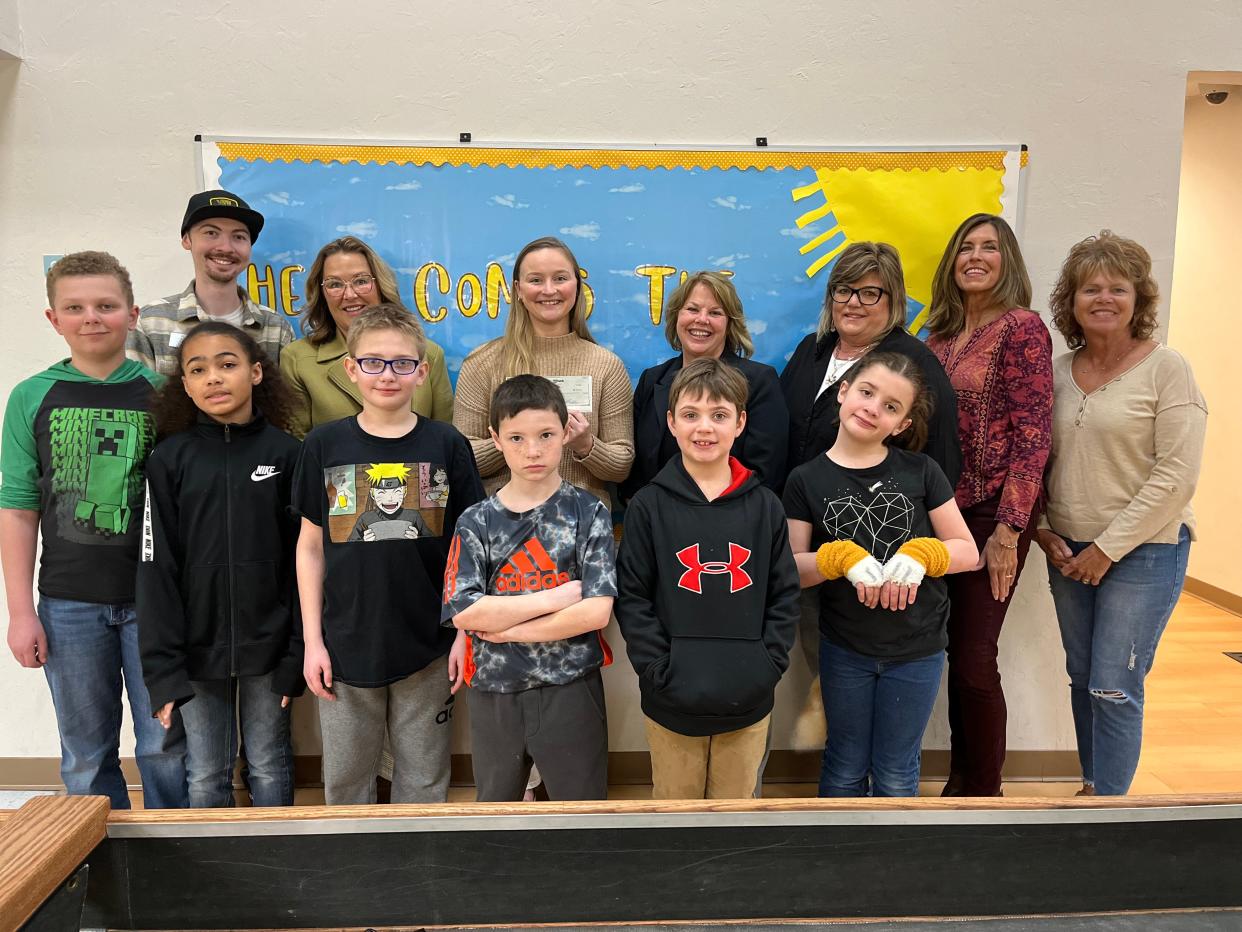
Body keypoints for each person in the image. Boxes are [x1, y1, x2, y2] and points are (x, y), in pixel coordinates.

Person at [1, 251, 186, 809]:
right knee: (85, 750)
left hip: (155, 601)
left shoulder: (165, 394)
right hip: (68, 602)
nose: (92, 318)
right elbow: (17, 507)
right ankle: (98, 864)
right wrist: (21, 613)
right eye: (75, 307)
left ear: (132, 314)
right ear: (53, 319)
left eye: (106, 306)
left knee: (165, 744)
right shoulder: (31, 396)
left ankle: (173, 865)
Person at [1036, 231, 1206, 797]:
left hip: (1143, 554)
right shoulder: (1056, 373)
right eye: (1090, 288)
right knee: (1083, 679)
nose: (1103, 298)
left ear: (1139, 299)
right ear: (1072, 301)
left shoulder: (1167, 369)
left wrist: (1106, 550)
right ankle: (1092, 787)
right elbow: (1032, 458)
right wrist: (1040, 530)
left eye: (1117, 287)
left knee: (1115, 686)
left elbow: (1176, 476)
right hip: (1065, 549)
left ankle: (1108, 810)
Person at [293, 304, 483, 804]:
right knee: (348, 782)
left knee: (424, 779)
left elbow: (468, 549)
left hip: (430, 643)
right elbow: (310, 548)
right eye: (373, 362)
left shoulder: (446, 444)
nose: (388, 374)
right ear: (351, 369)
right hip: (345, 645)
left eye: (402, 363)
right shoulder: (323, 445)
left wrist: (464, 632)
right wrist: (313, 642)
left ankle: (420, 871)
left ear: (422, 372)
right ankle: (353, 874)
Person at [784, 353, 978, 797]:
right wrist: (839, 558)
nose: (873, 407)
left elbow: (967, 552)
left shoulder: (922, 472)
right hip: (845, 648)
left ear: (903, 425)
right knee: (845, 763)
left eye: (891, 406)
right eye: (867, 392)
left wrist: (923, 553)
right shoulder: (805, 480)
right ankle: (839, 857)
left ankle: (893, 863)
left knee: (895, 769)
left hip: (917, 648)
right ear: (843, 391)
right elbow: (791, 569)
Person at [137, 322, 304, 808]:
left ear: (255, 372)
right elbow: (156, 568)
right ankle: (217, 878)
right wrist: (163, 669)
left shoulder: (288, 455)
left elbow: (305, 564)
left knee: (270, 762)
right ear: (184, 386)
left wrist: (295, 654)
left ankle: (277, 867)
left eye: (227, 365)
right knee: (206, 772)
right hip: (195, 649)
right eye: (198, 369)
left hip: (270, 648)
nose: (214, 378)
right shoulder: (169, 460)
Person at [616, 359, 799, 799]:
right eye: (691, 415)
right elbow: (634, 597)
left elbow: (783, 594)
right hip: (670, 698)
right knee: (675, 811)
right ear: (671, 423)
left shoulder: (765, 506)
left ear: (741, 423)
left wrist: (767, 665)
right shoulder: (648, 506)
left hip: (749, 694)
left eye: (719, 416)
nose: (705, 428)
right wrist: (658, 671)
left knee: (736, 812)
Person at [926, 214, 1053, 797]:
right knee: (950, 650)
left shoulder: (1023, 329)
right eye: (966, 248)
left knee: (975, 658)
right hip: (939, 513)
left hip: (993, 513)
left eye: (990, 248)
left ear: (1009, 261)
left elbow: (1035, 433)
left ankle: (982, 791)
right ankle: (957, 780)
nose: (975, 257)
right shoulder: (938, 336)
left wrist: (1009, 530)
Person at [442, 375, 616, 801]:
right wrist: (555, 598)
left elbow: (595, 613)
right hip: (495, 692)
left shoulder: (588, 511)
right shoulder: (476, 521)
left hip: (570, 686)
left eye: (545, 435)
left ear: (565, 433)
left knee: (581, 810)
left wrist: (506, 630)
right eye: (516, 437)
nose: (533, 450)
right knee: (496, 811)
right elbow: (465, 611)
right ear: (495, 440)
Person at [454, 235, 634, 506]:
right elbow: (461, 458)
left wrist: (585, 445)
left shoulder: (606, 365)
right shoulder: (482, 362)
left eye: (560, 278)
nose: (549, 290)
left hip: (582, 529)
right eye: (536, 280)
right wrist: (518, 437)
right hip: (503, 529)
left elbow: (622, 466)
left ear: (577, 285)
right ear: (518, 288)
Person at [781, 242, 960, 483]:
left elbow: (941, 465)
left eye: (869, 293)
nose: (853, 302)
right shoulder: (810, 348)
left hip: (865, 515)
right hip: (789, 511)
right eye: (844, 290)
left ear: (894, 300)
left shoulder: (917, 364)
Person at [622, 271, 788, 499]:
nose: (702, 319)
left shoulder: (759, 382)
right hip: (658, 521)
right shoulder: (652, 381)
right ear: (676, 316)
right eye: (692, 309)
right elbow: (636, 472)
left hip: (733, 523)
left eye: (715, 312)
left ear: (730, 324)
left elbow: (766, 475)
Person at [280, 236, 453, 438]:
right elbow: (298, 451)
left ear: (381, 285)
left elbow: (444, 441)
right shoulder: (297, 360)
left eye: (361, 281)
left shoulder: (429, 354)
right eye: (335, 284)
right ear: (322, 294)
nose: (350, 294)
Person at [128, 190, 294, 376]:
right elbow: (135, 400)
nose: (225, 247)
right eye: (211, 233)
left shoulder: (276, 328)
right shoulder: (152, 322)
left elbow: (286, 403)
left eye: (239, 236)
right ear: (186, 240)